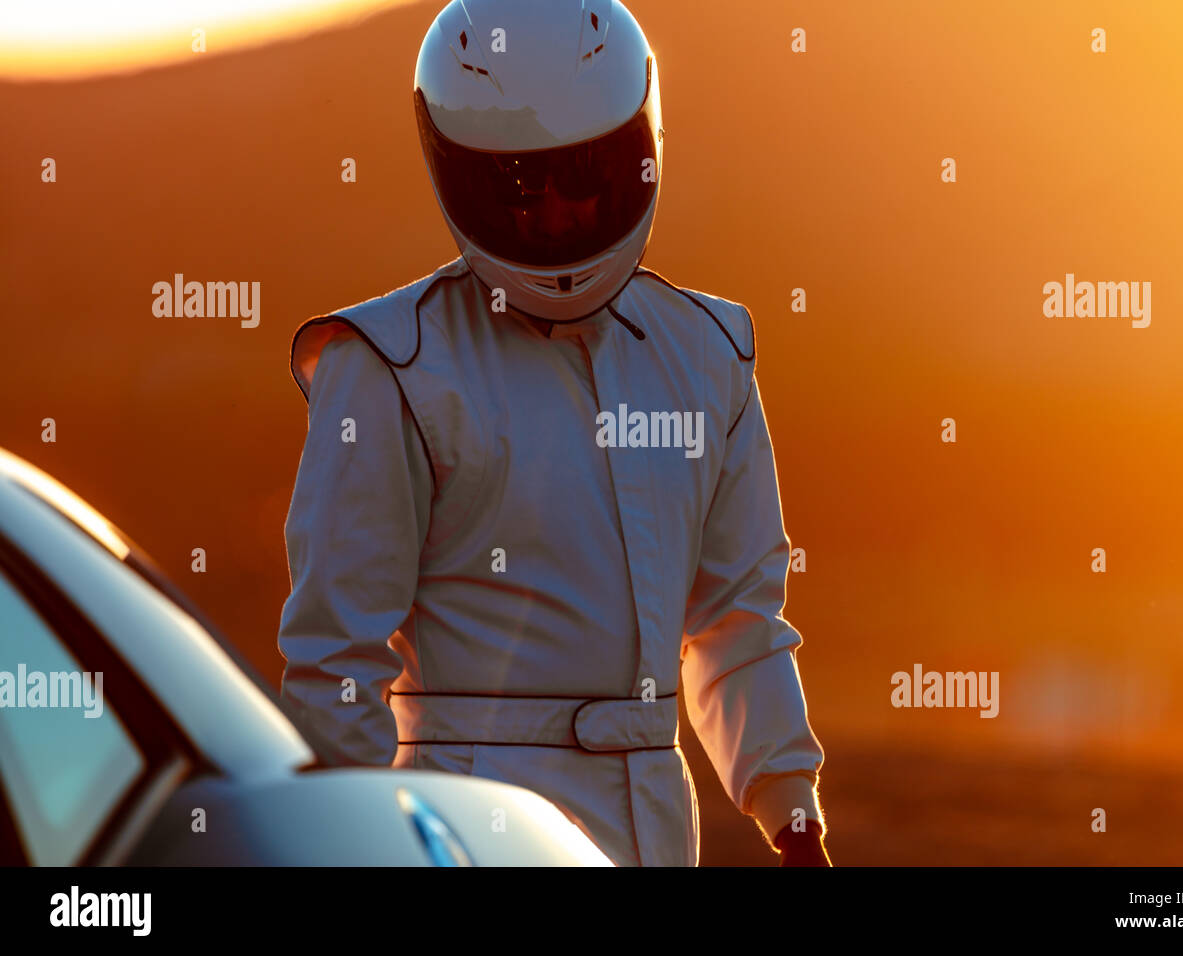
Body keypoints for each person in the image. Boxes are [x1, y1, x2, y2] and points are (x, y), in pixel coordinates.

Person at [277, 0, 829, 867]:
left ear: (642, 146)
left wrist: (797, 825)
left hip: (654, 826)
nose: (564, 217)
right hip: (461, 832)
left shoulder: (709, 354)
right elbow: (335, 662)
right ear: (458, 174)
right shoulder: (388, 364)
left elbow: (737, 624)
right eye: (525, 191)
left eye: (592, 176)